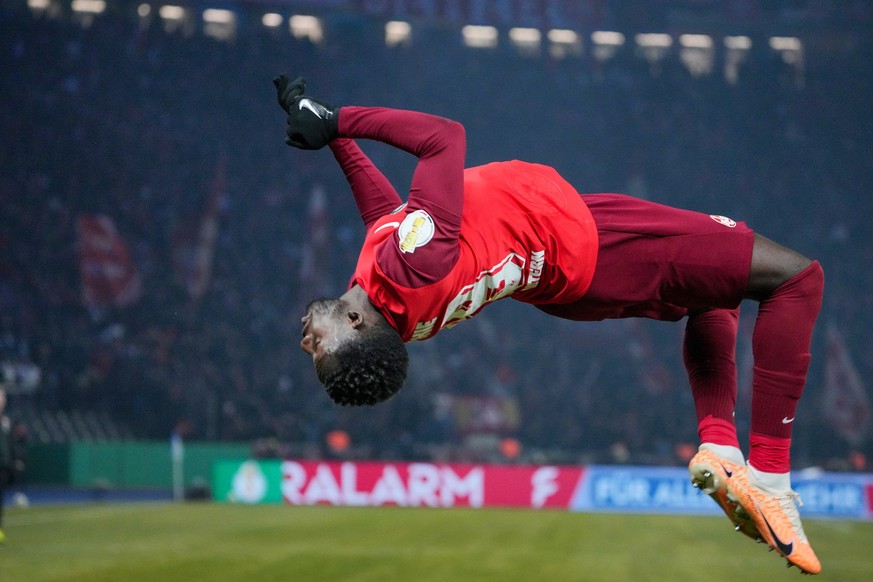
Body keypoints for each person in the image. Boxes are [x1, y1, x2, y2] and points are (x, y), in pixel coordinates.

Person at [273, 75, 824, 574]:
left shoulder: (388, 297)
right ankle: (771, 477)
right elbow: (444, 137)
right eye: (320, 348)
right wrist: (340, 118)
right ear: (354, 323)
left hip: (572, 249)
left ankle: (721, 447)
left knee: (718, 288)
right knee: (796, 279)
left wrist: (330, 135)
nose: (306, 340)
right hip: (592, 247)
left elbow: (383, 217)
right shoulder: (413, 267)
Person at [0, 387, 27, 544]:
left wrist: (15, 460)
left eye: (2, 397)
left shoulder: (5, 422)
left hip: (3, 467)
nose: (2, 401)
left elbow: (10, 444)